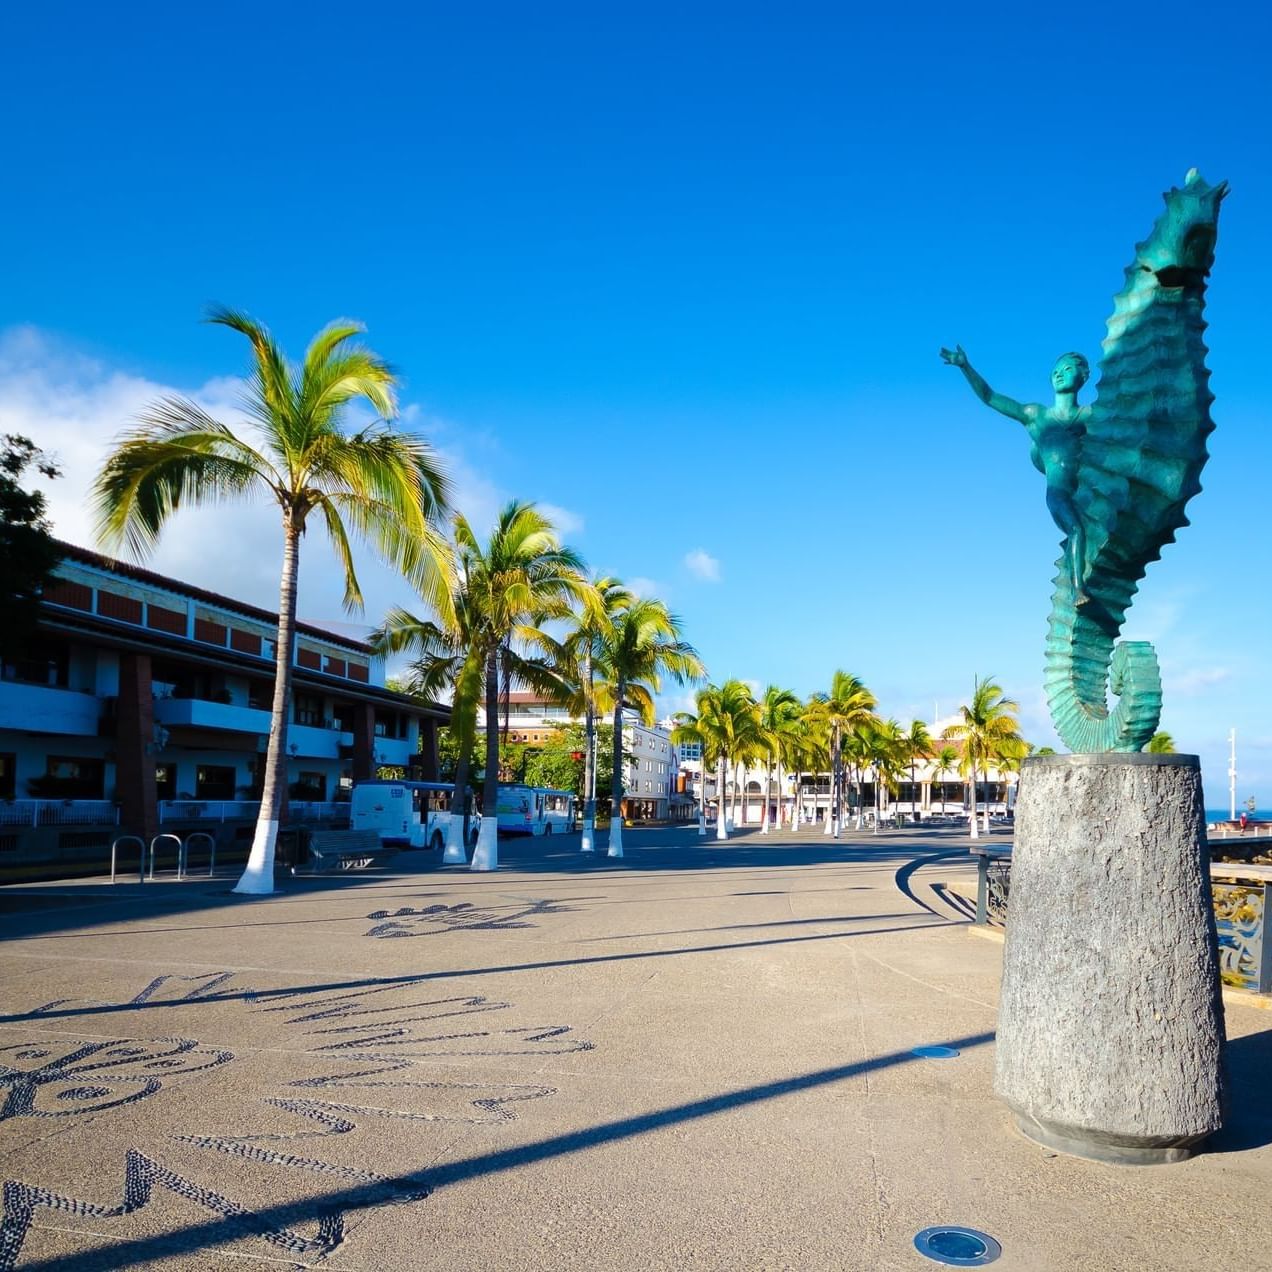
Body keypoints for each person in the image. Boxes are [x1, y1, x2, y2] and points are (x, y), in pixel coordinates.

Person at [941, 345, 1092, 602]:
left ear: (1084, 375)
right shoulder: (1036, 415)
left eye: (1067, 369)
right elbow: (990, 397)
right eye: (1055, 371)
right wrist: (965, 366)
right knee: (1076, 529)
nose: (1059, 374)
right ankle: (1078, 589)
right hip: (1059, 492)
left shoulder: (1090, 416)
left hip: (1089, 493)